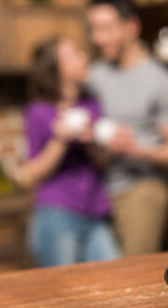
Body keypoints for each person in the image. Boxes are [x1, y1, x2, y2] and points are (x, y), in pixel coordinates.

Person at [87, 0, 168, 256]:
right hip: (96, 190)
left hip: (141, 191)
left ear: (131, 28)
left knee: (132, 274)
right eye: (94, 29)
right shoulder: (93, 76)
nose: (98, 38)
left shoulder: (161, 81)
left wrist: (134, 149)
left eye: (106, 29)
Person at [20, 36, 120, 267]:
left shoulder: (91, 105)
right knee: (62, 292)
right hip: (57, 214)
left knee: (114, 276)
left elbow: (103, 163)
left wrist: (90, 141)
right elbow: (32, 171)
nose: (84, 57)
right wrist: (60, 139)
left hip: (95, 211)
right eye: (74, 54)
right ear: (55, 69)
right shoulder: (39, 112)